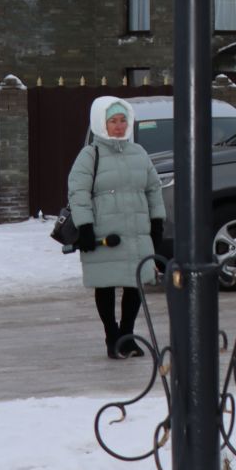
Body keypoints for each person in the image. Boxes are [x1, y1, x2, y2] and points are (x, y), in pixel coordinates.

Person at [68, 96, 165, 360]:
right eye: (113, 121)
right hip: (105, 235)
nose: (119, 126)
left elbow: (153, 189)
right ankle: (112, 336)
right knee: (107, 284)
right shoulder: (90, 155)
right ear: (101, 123)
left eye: (123, 120)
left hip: (136, 232)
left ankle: (127, 336)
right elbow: (78, 192)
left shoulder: (139, 153)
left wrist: (157, 222)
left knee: (135, 284)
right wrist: (85, 226)